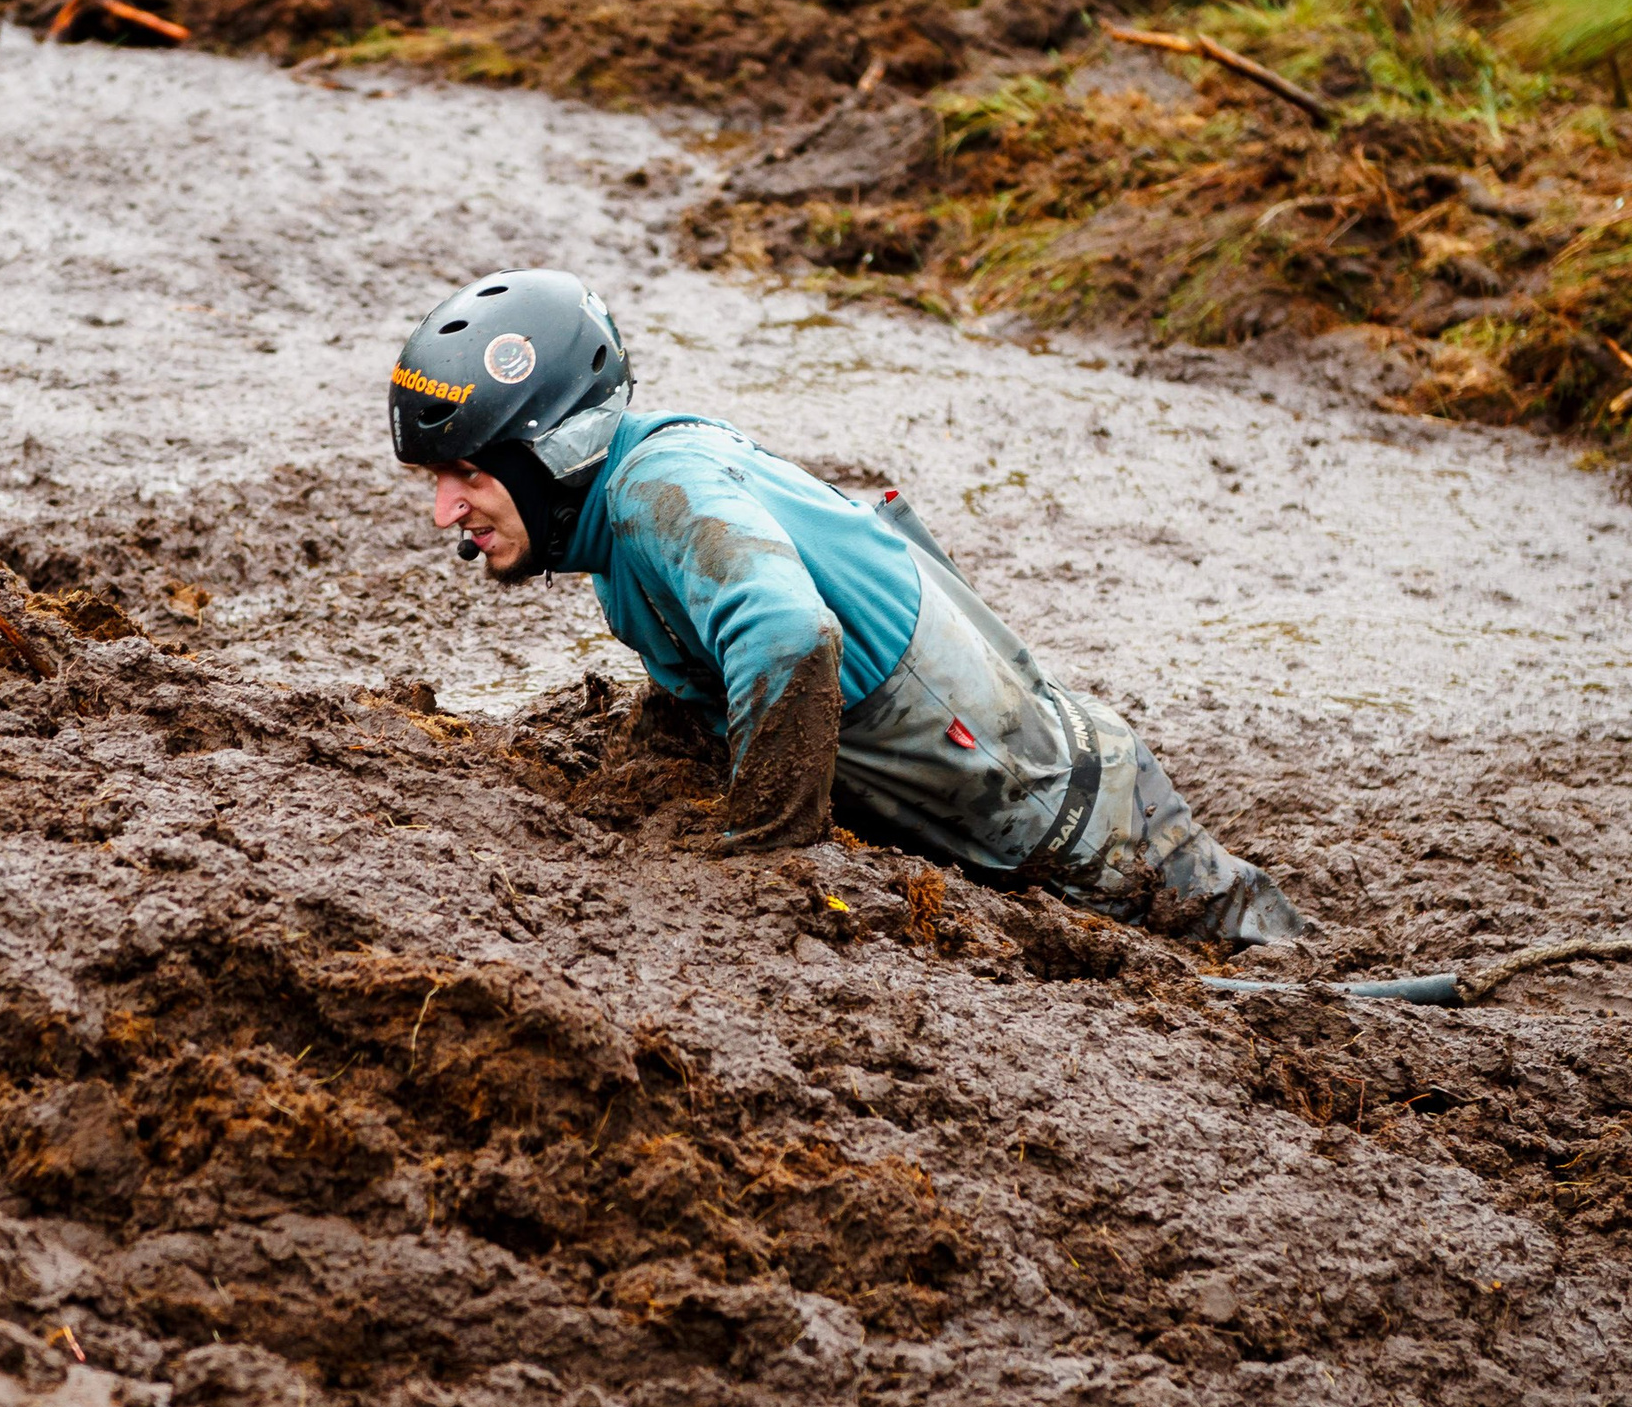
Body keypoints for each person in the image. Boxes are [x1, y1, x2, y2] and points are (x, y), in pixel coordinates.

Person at [390, 268, 1305, 944]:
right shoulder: (628, 511)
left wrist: (762, 860)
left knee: (1267, 975)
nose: (445, 510)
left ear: (556, 446)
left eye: (468, 472)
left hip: (1083, 840)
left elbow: (789, 634)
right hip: (1049, 795)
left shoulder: (657, 491)